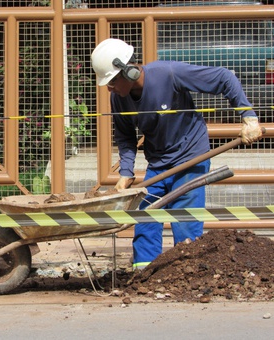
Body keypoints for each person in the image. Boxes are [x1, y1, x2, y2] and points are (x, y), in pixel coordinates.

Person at [91, 38, 263, 270]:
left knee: (186, 221)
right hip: (159, 163)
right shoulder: (119, 100)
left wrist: (248, 117)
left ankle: (187, 273)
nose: (109, 88)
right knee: (145, 219)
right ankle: (144, 274)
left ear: (129, 71)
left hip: (190, 157)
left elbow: (224, 77)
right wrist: (125, 173)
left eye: (111, 81)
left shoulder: (168, 74)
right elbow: (125, 137)